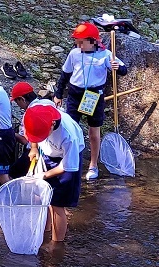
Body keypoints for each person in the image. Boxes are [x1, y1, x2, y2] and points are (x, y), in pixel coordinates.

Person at [53, 22, 127, 180]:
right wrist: (58, 94)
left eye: (81, 42)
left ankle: (93, 165)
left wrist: (117, 67)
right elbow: (65, 75)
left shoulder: (106, 55)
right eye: (77, 41)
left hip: (94, 95)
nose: (78, 44)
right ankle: (67, 161)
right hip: (75, 94)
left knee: (94, 131)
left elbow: (123, 70)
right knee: (71, 129)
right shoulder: (74, 54)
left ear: (93, 41)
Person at [24, 105, 85, 242]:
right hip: (48, 154)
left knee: (57, 203)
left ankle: (56, 244)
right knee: (43, 197)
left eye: (42, 135)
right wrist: (34, 148)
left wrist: (43, 175)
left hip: (66, 160)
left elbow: (67, 166)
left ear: (52, 124)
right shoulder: (35, 110)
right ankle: (45, 231)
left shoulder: (69, 136)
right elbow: (31, 130)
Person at [9, 82, 56, 179]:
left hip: (38, 151)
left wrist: (12, 134)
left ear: (22, 99)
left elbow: (27, 141)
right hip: (54, 148)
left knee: (13, 173)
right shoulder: (48, 103)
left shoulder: (30, 114)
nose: (18, 105)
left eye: (17, 102)